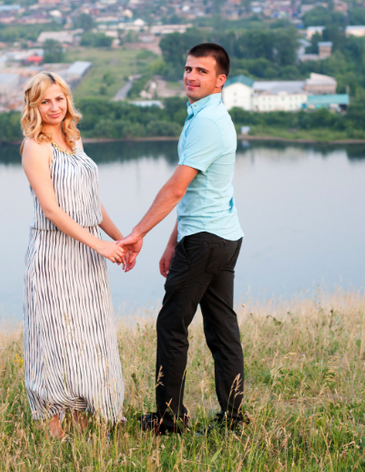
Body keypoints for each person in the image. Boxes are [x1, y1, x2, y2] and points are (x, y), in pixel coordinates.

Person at [119, 43, 245, 435]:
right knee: (222, 330)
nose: (191, 76)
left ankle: (168, 420)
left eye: (201, 71)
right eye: (188, 69)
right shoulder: (205, 116)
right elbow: (198, 191)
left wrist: (137, 233)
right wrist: (173, 241)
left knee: (172, 326)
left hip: (206, 241)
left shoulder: (207, 123)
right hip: (221, 235)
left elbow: (176, 188)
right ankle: (232, 419)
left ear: (220, 80)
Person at [20, 72, 126, 439]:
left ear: (68, 100)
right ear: (34, 106)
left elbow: (91, 202)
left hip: (88, 255)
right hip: (54, 253)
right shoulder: (34, 146)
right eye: (45, 101)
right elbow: (52, 210)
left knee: (88, 332)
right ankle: (52, 424)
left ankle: (82, 416)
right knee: (54, 335)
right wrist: (100, 245)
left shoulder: (74, 137)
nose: (54, 107)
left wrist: (121, 239)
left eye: (59, 99)